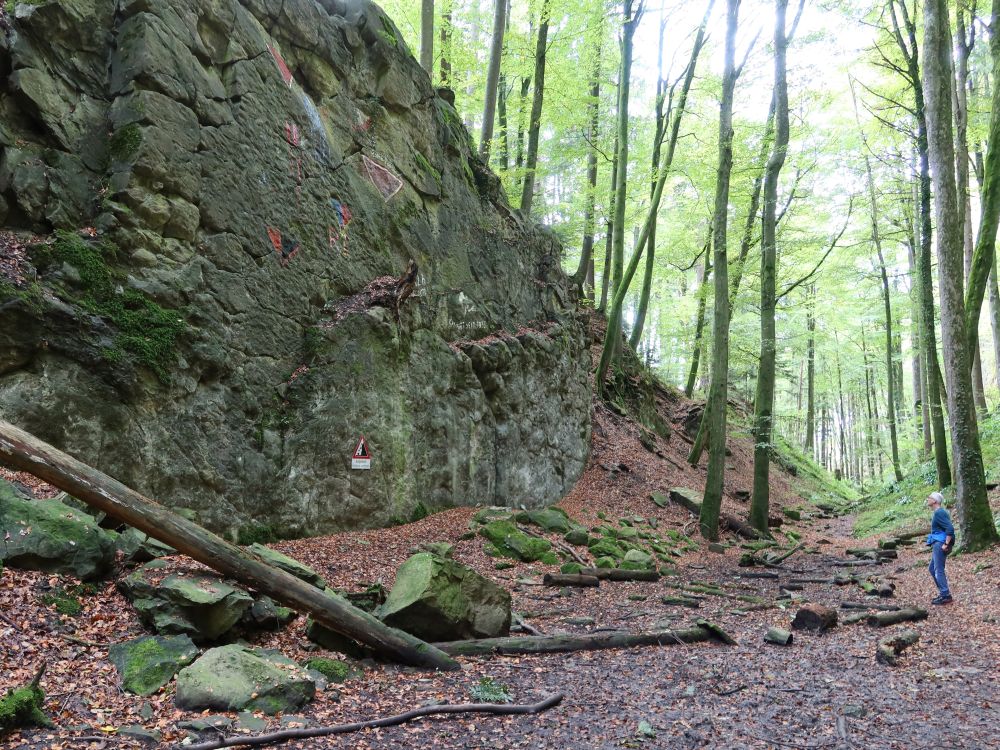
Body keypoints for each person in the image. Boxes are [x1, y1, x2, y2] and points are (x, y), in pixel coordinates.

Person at [925, 491, 954, 605]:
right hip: (938, 543)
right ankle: (943, 593)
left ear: (935, 501)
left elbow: (950, 529)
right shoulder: (939, 512)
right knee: (932, 569)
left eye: (930, 497)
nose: (927, 499)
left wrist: (946, 544)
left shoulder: (939, 513)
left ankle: (945, 595)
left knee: (938, 570)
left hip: (940, 544)